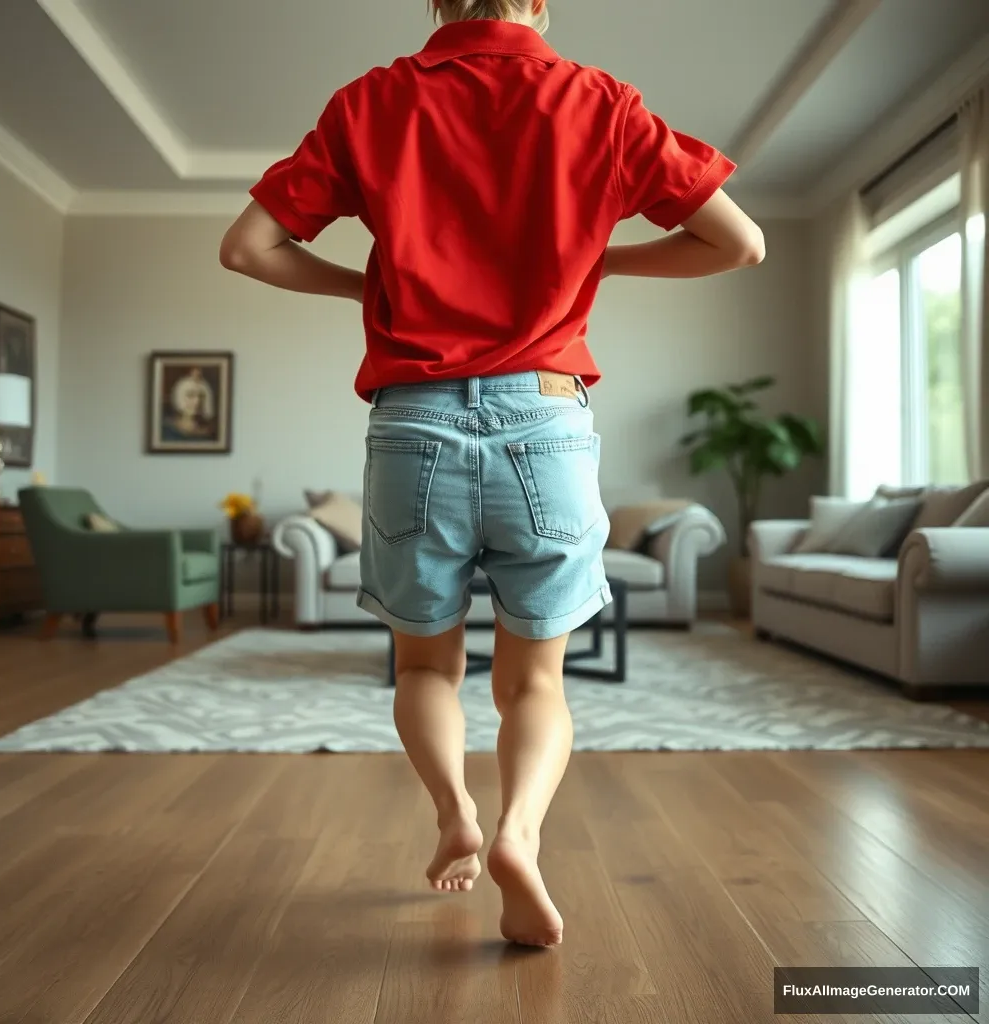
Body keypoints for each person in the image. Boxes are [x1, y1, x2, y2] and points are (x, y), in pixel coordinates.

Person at [220, 0, 764, 948]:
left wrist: (371, 282)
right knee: (535, 683)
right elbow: (738, 242)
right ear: (540, 3)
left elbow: (247, 248)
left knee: (426, 661)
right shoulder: (602, 104)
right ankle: (519, 832)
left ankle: (454, 816)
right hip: (545, 419)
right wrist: (603, 260)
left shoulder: (373, 102)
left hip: (413, 422)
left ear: (436, 1)